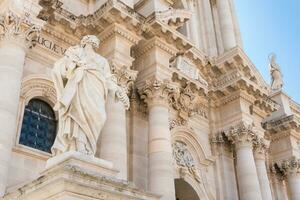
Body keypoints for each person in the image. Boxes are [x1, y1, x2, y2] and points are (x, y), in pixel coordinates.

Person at [51, 35, 128, 156]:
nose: (95, 41)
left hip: (96, 91)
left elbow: (108, 78)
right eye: (92, 39)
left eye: (96, 40)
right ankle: (79, 146)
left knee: (100, 116)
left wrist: (118, 90)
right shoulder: (75, 52)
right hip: (80, 87)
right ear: (85, 41)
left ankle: (88, 147)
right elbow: (60, 67)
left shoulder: (102, 60)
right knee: (79, 115)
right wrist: (73, 66)